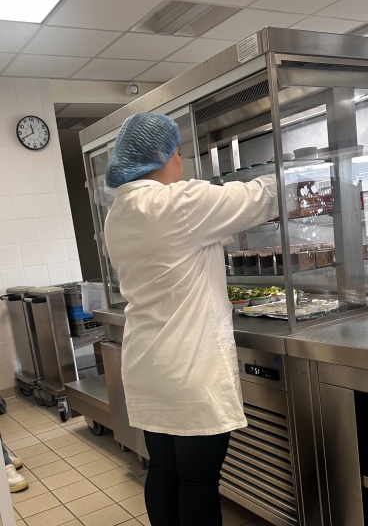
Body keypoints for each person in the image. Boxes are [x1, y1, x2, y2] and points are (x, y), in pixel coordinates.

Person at [104, 113, 279, 526]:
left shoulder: (120, 211)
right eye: (179, 151)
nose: (181, 160)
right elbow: (264, 196)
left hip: (147, 364)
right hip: (189, 367)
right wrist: (303, 170)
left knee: (164, 471)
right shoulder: (178, 202)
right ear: (164, 156)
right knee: (199, 481)